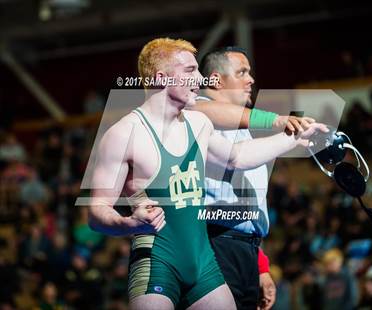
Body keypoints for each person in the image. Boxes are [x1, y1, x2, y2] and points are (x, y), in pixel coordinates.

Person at [88, 38, 327, 309]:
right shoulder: (123, 134)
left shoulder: (198, 124)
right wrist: (129, 224)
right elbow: (97, 212)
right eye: (190, 71)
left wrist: (294, 137)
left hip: (204, 265)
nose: (201, 79)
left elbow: (238, 157)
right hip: (157, 262)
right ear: (161, 78)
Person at [190, 46, 313, 309]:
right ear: (216, 80)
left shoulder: (241, 128)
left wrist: (260, 266)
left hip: (243, 248)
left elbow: (244, 204)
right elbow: (237, 158)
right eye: (242, 72)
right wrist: (287, 131)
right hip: (213, 246)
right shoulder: (195, 114)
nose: (251, 79)